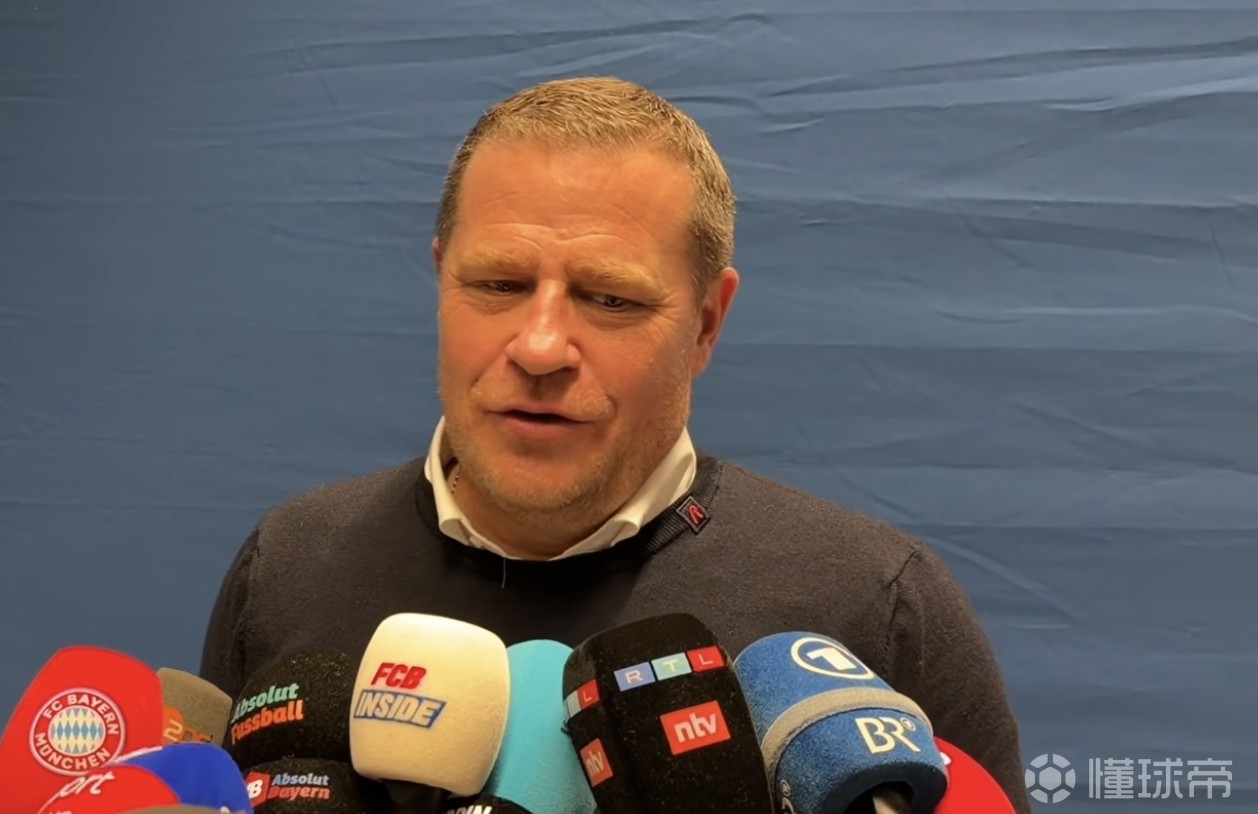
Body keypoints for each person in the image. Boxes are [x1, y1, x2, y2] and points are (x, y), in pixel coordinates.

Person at [199, 75, 1032, 813]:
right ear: (442, 277)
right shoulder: (291, 565)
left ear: (706, 324)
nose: (539, 348)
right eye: (497, 283)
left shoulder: (874, 604)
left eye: (610, 300)